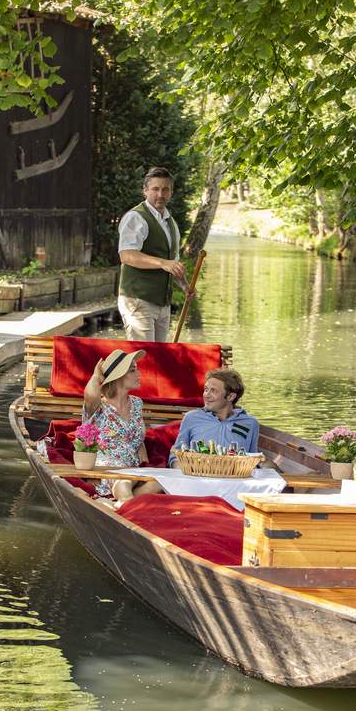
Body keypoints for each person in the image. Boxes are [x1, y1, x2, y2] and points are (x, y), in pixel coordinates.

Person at [116, 166, 187, 342]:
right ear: (145, 190)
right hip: (138, 300)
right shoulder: (136, 217)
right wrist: (163, 263)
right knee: (144, 354)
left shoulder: (171, 223)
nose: (160, 194)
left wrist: (184, 285)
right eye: (155, 189)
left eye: (165, 189)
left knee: (159, 356)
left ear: (171, 192)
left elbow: (172, 264)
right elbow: (127, 255)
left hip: (163, 303)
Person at [83, 349, 162, 501]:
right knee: (124, 484)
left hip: (132, 469)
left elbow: (133, 432)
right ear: (118, 376)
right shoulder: (98, 406)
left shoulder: (137, 403)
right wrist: (96, 376)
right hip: (107, 469)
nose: (139, 374)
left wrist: (141, 444)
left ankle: (122, 503)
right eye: (133, 370)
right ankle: (126, 503)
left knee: (159, 484)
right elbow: (90, 395)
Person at [171, 369, 260, 463]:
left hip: (235, 472)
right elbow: (175, 456)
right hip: (198, 471)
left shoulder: (250, 423)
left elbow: (253, 458)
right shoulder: (191, 418)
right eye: (206, 389)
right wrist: (180, 467)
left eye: (213, 391)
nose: (206, 395)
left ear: (230, 397)